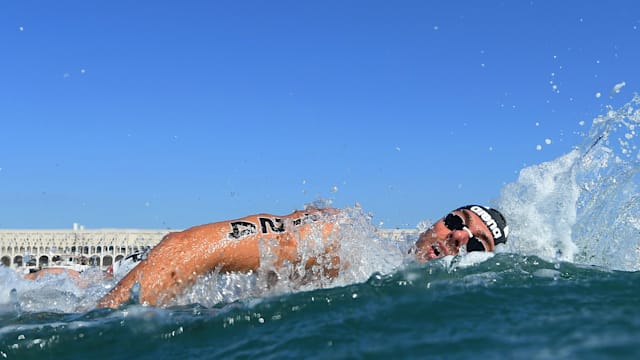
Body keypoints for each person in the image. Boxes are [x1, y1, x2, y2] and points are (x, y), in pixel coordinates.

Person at [97, 204, 508, 309]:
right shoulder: (345, 242)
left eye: (474, 245)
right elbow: (185, 248)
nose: (456, 236)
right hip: (109, 288)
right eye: (456, 220)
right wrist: (103, 326)